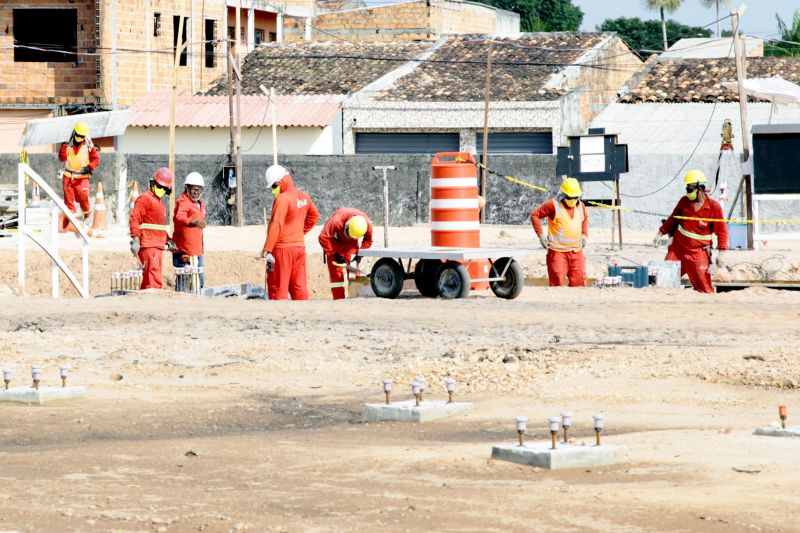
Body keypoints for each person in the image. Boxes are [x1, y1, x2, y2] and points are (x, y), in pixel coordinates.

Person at [654, 170, 728, 293]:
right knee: (664, 281)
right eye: (687, 189)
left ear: (701, 188)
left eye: (690, 189)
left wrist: (722, 253)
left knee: (705, 289)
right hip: (678, 250)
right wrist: (660, 233)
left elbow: (722, 232)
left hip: (698, 253)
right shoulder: (684, 202)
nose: (688, 192)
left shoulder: (714, 207)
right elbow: (673, 219)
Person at [262, 164, 319, 300]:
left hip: (282, 250)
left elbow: (276, 225)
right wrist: (298, 233)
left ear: (280, 182)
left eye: (274, 186)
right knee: (299, 286)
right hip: (299, 248)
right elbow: (314, 216)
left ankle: (279, 317)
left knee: (277, 287)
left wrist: (268, 249)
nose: (273, 190)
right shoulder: (303, 196)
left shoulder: (282, 199)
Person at [530, 177, 588, 287]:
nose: (573, 199)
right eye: (570, 197)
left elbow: (584, 219)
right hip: (557, 252)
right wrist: (541, 236)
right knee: (557, 283)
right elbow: (535, 215)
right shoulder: (553, 205)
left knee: (580, 282)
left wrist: (584, 235)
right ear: (564, 194)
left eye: (575, 197)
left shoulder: (581, 206)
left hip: (576, 252)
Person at [129, 168, 177, 289]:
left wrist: (168, 240)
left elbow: (158, 227)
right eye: (160, 186)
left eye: (164, 188)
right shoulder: (145, 199)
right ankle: (154, 304)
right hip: (149, 245)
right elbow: (135, 218)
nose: (162, 190)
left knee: (150, 278)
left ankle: (146, 304)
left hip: (157, 245)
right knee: (153, 279)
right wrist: (135, 239)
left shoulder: (159, 203)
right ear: (153, 183)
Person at [318, 208, 373, 300]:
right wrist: (334, 254)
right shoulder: (336, 220)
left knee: (354, 273)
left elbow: (368, 240)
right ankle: (338, 299)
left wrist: (360, 253)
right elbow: (323, 237)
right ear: (346, 225)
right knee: (336, 276)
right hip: (334, 244)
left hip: (351, 245)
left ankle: (356, 299)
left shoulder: (367, 224)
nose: (349, 236)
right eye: (348, 233)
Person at [58, 121, 100, 228]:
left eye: (82, 136)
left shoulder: (88, 145)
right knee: (68, 199)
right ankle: (72, 219)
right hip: (68, 176)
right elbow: (62, 157)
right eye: (78, 135)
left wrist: (90, 167)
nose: (79, 138)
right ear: (74, 133)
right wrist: (63, 145)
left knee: (84, 197)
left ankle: (87, 215)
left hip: (82, 177)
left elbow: (96, 159)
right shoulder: (67, 145)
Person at [172, 172, 207, 291]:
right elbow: (179, 217)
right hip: (184, 249)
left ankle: (196, 298)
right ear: (187, 188)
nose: (196, 192)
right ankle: (179, 298)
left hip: (197, 249)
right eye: (193, 189)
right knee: (184, 277)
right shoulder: (183, 202)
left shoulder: (200, 204)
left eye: (199, 190)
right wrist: (191, 221)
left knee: (200, 278)